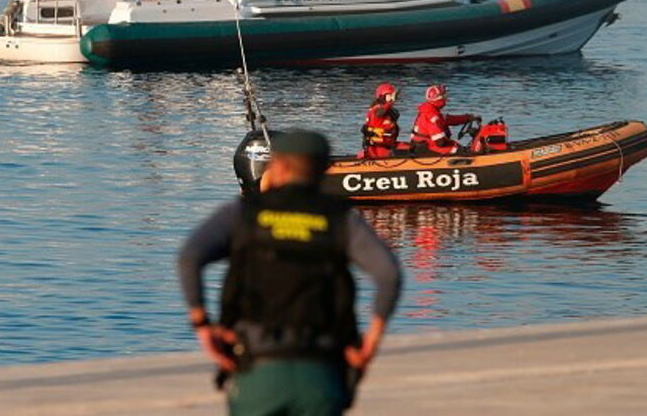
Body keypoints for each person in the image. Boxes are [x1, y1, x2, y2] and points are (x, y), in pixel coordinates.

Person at [178, 130, 402, 415]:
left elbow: (189, 257)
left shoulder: (243, 214)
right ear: (324, 169)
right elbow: (388, 274)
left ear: (278, 166)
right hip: (322, 368)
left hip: (256, 367)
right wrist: (371, 341)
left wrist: (201, 323)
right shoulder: (340, 219)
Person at [410, 84, 478, 155]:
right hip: (429, 147)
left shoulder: (428, 110)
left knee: (459, 147)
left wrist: (467, 118)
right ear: (438, 99)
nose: (446, 99)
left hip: (422, 144)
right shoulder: (432, 117)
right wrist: (454, 144)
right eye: (443, 96)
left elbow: (449, 119)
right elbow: (440, 142)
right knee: (463, 151)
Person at [358, 83, 401, 159]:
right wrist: (390, 102)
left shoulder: (386, 110)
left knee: (411, 148)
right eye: (390, 95)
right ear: (383, 96)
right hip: (379, 148)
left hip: (387, 144)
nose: (392, 98)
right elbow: (379, 113)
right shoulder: (377, 109)